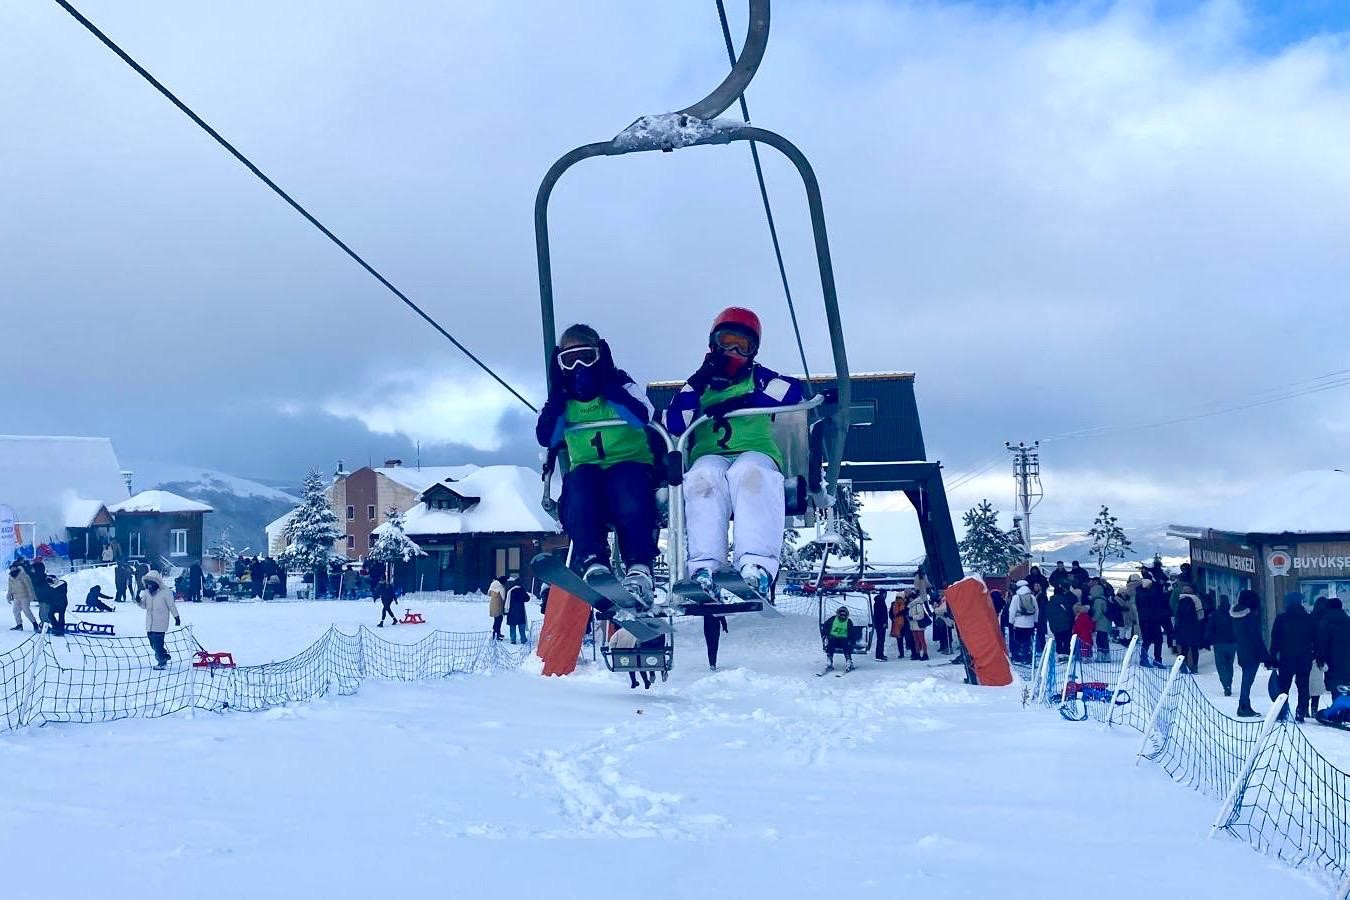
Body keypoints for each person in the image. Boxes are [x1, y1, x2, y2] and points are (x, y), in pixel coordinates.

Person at [664, 307, 805, 597]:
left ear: (753, 351)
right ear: (713, 343)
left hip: (756, 451)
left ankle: (756, 564)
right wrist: (699, 379)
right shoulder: (699, 385)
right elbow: (676, 422)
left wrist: (742, 400)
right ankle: (704, 566)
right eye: (727, 342)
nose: (734, 351)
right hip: (710, 454)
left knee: (749, 473)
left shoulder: (759, 377)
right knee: (702, 477)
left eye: (743, 345)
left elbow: (793, 391)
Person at [536, 323, 659, 602]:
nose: (579, 366)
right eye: (569, 360)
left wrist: (609, 388)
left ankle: (639, 565)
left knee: (627, 487)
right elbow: (547, 437)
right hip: (587, 469)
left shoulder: (621, 384)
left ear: (599, 355)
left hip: (630, 463)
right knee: (579, 487)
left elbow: (642, 416)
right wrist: (557, 399)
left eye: (586, 357)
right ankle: (593, 561)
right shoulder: (563, 398)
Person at [1270, 591, 1316, 722]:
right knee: (1303, 685)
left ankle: (1282, 711)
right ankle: (1301, 711)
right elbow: (1315, 638)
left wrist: (1273, 657)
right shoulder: (1309, 619)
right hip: (1304, 657)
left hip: (1286, 657)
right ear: (1300, 602)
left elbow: (1275, 639)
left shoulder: (1281, 619)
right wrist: (1314, 654)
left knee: (1284, 685)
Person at [1232, 589, 1268, 717]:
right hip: (1252, 653)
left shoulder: (1235, 616)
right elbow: (1256, 638)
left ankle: (1244, 705)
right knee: (1247, 681)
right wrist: (1265, 656)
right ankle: (1243, 706)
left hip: (1242, 651)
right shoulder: (1250, 617)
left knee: (1246, 680)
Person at [137, 571, 180, 670]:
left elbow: (171, 606)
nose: (149, 586)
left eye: (151, 583)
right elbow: (144, 606)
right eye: (147, 584)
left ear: (156, 583)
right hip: (149, 623)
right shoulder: (147, 593)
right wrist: (138, 601)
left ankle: (162, 662)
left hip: (160, 623)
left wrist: (176, 617)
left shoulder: (166, 592)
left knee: (158, 644)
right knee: (153, 645)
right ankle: (164, 655)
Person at [1135, 575, 1169, 667]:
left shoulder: (1144, 592)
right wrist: (1159, 585)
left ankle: (1157, 659)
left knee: (1158, 640)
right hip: (1146, 621)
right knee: (1147, 640)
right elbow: (1152, 595)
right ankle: (1144, 659)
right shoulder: (1142, 594)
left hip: (1154, 620)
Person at [1173, 583, 1206, 674]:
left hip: (1181, 628)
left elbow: (1176, 614)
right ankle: (1194, 667)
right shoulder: (1196, 600)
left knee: (1184, 648)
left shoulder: (1179, 600)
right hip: (1194, 627)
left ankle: (1183, 666)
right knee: (1194, 648)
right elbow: (1201, 615)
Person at [1210, 595, 1238, 697]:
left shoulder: (1215, 614)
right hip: (1232, 643)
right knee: (1229, 664)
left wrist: (1208, 640)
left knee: (1221, 665)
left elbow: (1210, 628)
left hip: (1219, 643)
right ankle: (1229, 682)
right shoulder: (1232, 614)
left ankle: (1226, 685)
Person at [1009, 583, 1038, 664]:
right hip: (1030, 624)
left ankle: (1017, 657)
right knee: (1027, 641)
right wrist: (1035, 621)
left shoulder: (1016, 597)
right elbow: (1036, 610)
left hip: (1019, 624)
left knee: (1017, 640)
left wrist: (1011, 622)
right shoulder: (1032, 597)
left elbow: (1012, 611)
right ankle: (1025, 657)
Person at [7, 563, 39, 632]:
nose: (12, 569)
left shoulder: (23, 575)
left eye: (13, 568)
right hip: (16, 596)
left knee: (26, 610)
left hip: (25, 596)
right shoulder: (10, 577)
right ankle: (19, 625)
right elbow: (10, 587)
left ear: (16, 568)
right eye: (11, 568)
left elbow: (29, 586)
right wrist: (8, 596)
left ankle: (35, 624)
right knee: (15, 611)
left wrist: (32, 595)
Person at [1047, 586, 1075, 659]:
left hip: (1054, 626)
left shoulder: (1050, 602)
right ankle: (1066, 654)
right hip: (1066, 625)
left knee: (1058, 641)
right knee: (1066, 641)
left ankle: (1059, 654)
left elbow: (1047, 614)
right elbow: (1070, 612)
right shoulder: (1065, 601)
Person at [824, 606, 855, 672]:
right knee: (831, 642)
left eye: (844, 614)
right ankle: (829, 660)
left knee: (845, 643)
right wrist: (825, 634)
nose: (842, 616)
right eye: (841, 614)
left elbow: (852, 632)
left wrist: (851, 640)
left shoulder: (848, 621)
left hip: (843, 640)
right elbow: (825, 626)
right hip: (834, 639)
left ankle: (848, 660)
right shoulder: (833, 619)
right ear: (838, 613)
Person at [1089, 579, 1112, 661]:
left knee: (1100, 639)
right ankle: (1105, 655)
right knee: (1104, 639)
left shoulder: (1098, 601)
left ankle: (1101, 655)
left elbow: (1098, 613)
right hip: (1106, 622)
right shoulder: (1104, 599)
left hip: (1101, 623)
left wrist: (1092, 620)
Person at [907, 591, 931, 661]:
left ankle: (925, 654)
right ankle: (918, 654)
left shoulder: (918, 605)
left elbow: (921, 615)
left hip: (918, 625)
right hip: (914, 625)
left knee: (921, 640)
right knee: (916, 640)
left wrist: (912, 617)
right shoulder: (911, 605)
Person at [506, 577, 530, 644]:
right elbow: (527, 598)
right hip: (520, 611)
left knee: (512, 626)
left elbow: (506, 600)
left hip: (511, 611)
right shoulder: (521, 590)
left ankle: (513, 640)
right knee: (521, 626)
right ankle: (523, 639)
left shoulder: (510, 590)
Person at [889, 591, 907, 660]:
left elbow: (906, 613)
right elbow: (890, 613)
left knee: (904, 638)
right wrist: (893, 618)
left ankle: (905, 652)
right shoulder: (894, 604)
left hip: (903, 624)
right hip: (897, 624)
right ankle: (901, 653)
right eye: (897, 598)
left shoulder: (905, 604)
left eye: (900, 598)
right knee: (900, 639)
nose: (898, 599)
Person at [871, 590, 889, 661]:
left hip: (878, 623)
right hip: (881, 624)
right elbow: (882, 614)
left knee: (880, 639)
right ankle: (879, 655)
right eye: (886, 594)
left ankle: (880, 654)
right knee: (881, 639)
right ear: (883, 594)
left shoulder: (878, 601)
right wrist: (884, 622)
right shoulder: (881, 601)